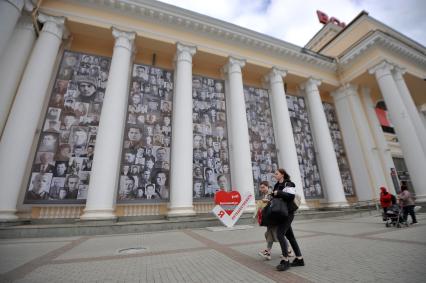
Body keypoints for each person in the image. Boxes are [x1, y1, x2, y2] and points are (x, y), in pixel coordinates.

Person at [273, 168, 304, 271]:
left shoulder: (289, 184)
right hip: (281, 213)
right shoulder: (276, 185)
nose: (275, 175)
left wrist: (278, 193)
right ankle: (299, 259)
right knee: (290, 236)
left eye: (276, 174)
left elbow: (290, 196)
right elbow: (276, 197)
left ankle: (285, 260)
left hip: (289, 213)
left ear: (282, 174)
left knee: (280, 234)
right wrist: (271, 196)